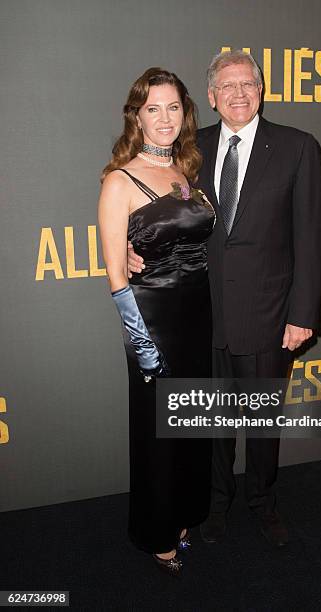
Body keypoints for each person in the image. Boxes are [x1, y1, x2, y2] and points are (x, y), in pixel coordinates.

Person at [128, 51, 321, 547]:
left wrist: (302, 314)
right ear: (213, 97)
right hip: (201, 314)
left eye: (248, 85)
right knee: (213, 423)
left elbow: (313, 234)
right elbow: (161, 213)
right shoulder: (188, 149)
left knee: (262, 422)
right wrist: (134, 249)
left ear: (261, 91)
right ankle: (214, 504)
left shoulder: (298, 147)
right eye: (227, 86)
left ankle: (263, 501)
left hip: (269, 315)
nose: (239, 94)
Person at [98, 67, 215, 575]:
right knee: (157, 432)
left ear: (184, 112)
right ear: (137, 116)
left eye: (173, 107)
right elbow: (115, 275)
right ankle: (155, 532)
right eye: (153, 109)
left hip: (197, 315)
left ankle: (184, 513)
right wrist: (142, 342)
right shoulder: (118, 180)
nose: (164, 118)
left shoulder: (185, 170)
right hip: (155, 323)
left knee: (188, 426)